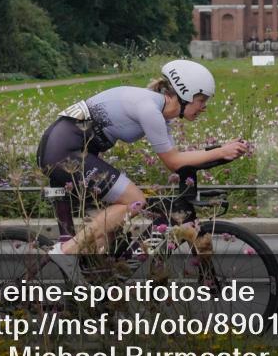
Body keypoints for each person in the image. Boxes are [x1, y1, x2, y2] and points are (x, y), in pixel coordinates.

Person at [36, 59, 248, 256]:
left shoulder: (158, 112)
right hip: (64, 152)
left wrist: (220, 151)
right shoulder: (149, 109)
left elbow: (177, 158)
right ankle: (66, 251)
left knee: (113, 230)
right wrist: (221, 152)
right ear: (185, 94)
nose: (204, 107)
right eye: (201, 100)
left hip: (66, 148)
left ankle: (98, 273)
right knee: (134, 200)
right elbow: (173, 162)